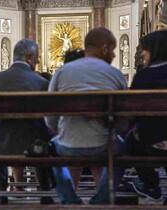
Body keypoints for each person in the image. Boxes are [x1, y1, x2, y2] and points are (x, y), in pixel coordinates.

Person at [45, 27, 127, 204]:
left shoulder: (62, 72)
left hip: (68, 145)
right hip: (104, 146)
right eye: (112, 50)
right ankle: (101, 200)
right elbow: (123, 119)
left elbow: (50, 116)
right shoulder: (115, 74)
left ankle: (70, 200)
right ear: (104, 48)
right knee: (124, 148)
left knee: (50, 148)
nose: (113, 55)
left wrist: (60, 133)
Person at [0, 38, 53, 205]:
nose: (37, 61)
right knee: (44, 137)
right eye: (37, 57)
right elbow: (48, 116)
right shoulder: (42, 82)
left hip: (0, 142)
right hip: (34, 144)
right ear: (29, 57)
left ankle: (2, 192)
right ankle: (45, 192)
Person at [128, 30, 167, 203]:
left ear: (155, 49)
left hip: (152, 139)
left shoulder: (144, 75)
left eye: (145, 48)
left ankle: (151, 185)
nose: (143, 52)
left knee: (130, 141)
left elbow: (132, 109)